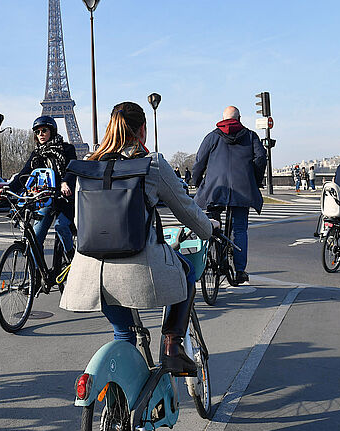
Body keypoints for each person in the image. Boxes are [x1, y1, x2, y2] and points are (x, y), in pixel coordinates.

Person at [60, 101, 215, 375]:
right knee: (188, 271)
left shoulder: (87, 167)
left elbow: (78, 222)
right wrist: (210, 230)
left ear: (110, 128)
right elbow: (187, 210)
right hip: (137, 269)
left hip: (90, 274)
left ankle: (121, 392)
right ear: (143, 129)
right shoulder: (151, 164)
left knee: (123, 333)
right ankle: (173, 345)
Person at [192, 105, 267, 285]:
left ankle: (212, 257)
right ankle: (240, 271)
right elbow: (260, 158)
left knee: (211, 225)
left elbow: (199, 161)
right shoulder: (250, 136)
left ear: (223, 119)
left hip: (215, 189)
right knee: (239, 229)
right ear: (239, 119)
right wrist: (254, 181)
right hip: (242, 189)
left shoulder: (212, 137)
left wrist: (197, 182)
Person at [4, 115, 76, 257]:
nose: (41, 134)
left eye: (44, 130)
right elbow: (24, 174)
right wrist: (8, 188)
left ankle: (71, 257)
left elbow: (72, 169)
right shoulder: (37, 154)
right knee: (35, 240)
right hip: (45, 199)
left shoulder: (67, 149)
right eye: (37, 132)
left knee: (61, 226)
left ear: (52, 131)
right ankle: (37, 270)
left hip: (64, 198)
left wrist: (65, 182)